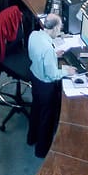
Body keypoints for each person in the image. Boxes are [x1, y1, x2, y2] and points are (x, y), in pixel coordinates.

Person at [26, 12, 63, 156]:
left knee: (36, 108)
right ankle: (41, 151)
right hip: (46, 86)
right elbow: (53, 74)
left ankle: (31, 138)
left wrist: (53, 55)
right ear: (54, 29)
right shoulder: (48, 49)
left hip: (34, 77)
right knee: (46, 118)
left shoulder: (34, 34)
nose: (59, 31)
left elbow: (36, 54)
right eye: (59, 29)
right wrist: (68, 71)